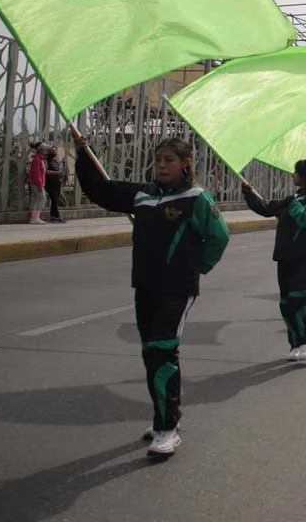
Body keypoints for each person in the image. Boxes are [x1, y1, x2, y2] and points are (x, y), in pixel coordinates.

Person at [74, 135, 230, 457]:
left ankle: (167, 429)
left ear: (185, 164)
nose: (161, 165)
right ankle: (164, 416)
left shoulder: (196, 197)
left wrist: (195, 268)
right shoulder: (142, 195)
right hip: (145, 286)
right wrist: (83, 153)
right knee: (150, 352)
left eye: (169, 160)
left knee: (162, 350)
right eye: (158, 159)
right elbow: (101, 191)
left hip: (178, 289)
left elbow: (219, 237)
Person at [243, 158, 306, 361]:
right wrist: (248, 193)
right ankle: (295, 343)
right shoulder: (294, 198)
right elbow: (266, 208)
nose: (293, 175)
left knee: (297, 299)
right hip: (284, 257)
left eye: (296, 172)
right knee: (285, 303)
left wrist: (293, 206)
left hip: (303, 258)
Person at [27, 141, 50, 224]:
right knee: (42, 200)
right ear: (41, 150)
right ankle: (35, 217)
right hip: (37, 183)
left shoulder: (39, 159)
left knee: (37, 200)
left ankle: (34, 217)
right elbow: (37, 174)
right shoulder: (37, 159)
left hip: (36, 183)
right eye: (45, 150)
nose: (47, 151)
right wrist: (40, 185)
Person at [44, 145, 67, 223]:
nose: (54, 152)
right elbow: (46, 172)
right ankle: (55, 216)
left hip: (57, 183)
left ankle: (54, 216)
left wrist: (62, 173)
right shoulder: (46, 161)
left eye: (55, 150)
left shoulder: (55, 161)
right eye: (52, 150)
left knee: (55, 200)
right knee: (54, 199)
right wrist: (58, 172)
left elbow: (59, 170)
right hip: (50, 183)